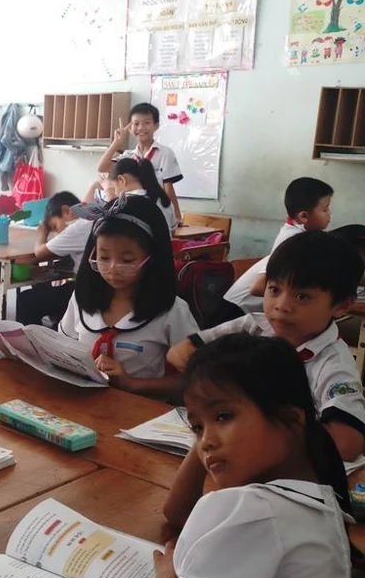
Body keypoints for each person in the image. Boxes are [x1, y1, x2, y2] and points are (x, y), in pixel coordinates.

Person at [135, 334, 355, 578]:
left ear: (290, 419)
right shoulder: (319, 497)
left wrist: (167, 576)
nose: (205, 442)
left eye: (224, 416)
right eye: (197, 427)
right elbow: (176, 511)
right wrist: (212, 431)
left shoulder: (253, 511)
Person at [167, 231, 365, 462]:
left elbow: (346, 443)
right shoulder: (253, 326)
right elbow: (179, 353)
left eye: (302, 297)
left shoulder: (332, 363)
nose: (281, 306)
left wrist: (258, 427)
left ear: (341, 306)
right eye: (274, 290)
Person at [59, 195, 198, 398]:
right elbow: (64, 347)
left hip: (141, 411)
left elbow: (196, 378)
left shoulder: (172, 311)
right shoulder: (82, 298)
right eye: (103, 257)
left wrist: (133, 384)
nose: (113, 269)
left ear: (152, 258)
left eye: (127, 259)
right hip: (84, 404)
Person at [222, 177, 334, 318]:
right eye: (325, 209)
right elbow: (258, 288)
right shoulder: (293, 242)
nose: (329, 213)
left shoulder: (300, 235)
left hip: (244, 309)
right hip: (235, 311)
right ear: (303, 216)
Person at [97, 103, 183, 227]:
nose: (141, 128)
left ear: (156, 126)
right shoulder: (128, 156)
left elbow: (168, 187)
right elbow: (102, 168)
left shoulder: (165, 153)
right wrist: (116, 142)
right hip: (133, 210)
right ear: (130, 128)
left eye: (147, 123)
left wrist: (176, 215)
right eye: (136, 124)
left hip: (156, 210)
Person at [16, 192, 94, 327]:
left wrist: (42, 232)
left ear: (66, 210)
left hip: (85, 290)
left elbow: (40, 252)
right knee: (48, 290)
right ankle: (58, 324)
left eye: (55, 226)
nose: (58, 233)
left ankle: (35, 338)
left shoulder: (77, 227)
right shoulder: (92, 220)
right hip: (94, 287)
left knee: (26, 300)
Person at [109, 158, 174, 233]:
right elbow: (172, 229)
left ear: (122, 179)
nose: (115, 192)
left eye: (114, 187)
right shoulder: (162, 198)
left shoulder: (125, 205)